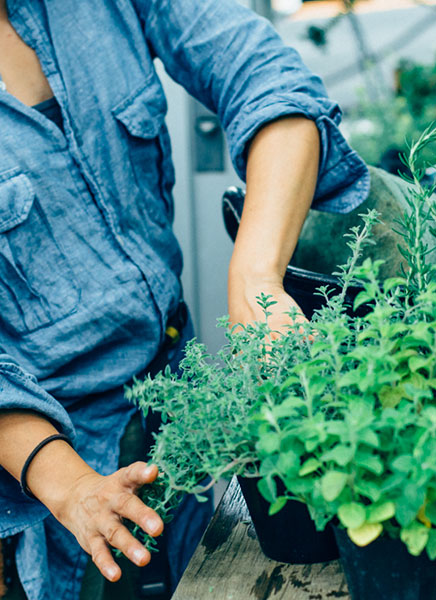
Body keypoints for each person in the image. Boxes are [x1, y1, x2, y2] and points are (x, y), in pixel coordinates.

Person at [0, 0, 370, 598]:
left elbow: (267, 78)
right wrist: (68, 485)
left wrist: (255, 276)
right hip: (57, 465)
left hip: (185, 394)